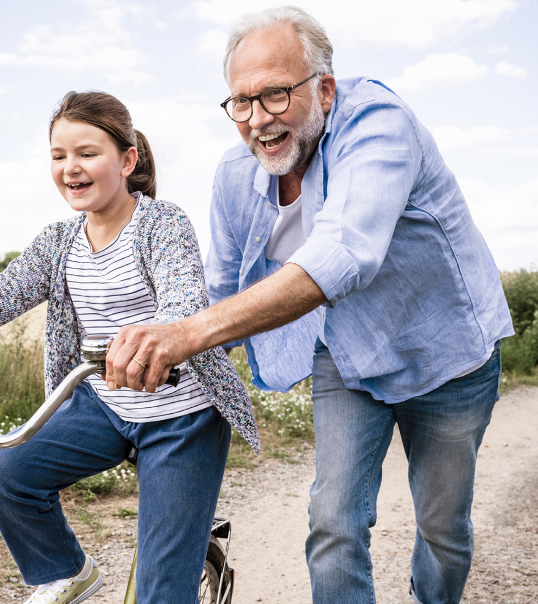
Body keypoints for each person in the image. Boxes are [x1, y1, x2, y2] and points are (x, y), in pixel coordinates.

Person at [104, 7, 514, 604]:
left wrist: (187, 336)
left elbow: (344, 251)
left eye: (274, 95)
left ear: (323, 88)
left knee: (442, 529)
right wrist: (165, 344)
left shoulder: (378, 124)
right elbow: (219, 289)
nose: (256, 120)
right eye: (240, 102)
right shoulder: (234, 173)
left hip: (445, 353)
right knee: (333, 523)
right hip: (347, 357)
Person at [0, 90, 258, 604]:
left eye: (86, 153)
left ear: (127, 160)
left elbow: (182, 298)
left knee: (161, 592)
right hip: (102, 402)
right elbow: (1, 293)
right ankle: (65, 571)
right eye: (58, 156)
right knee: (8, 475)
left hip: (181, 414)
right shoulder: (59, 241)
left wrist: (161, 344)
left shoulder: (162, 224)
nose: (70, 168)